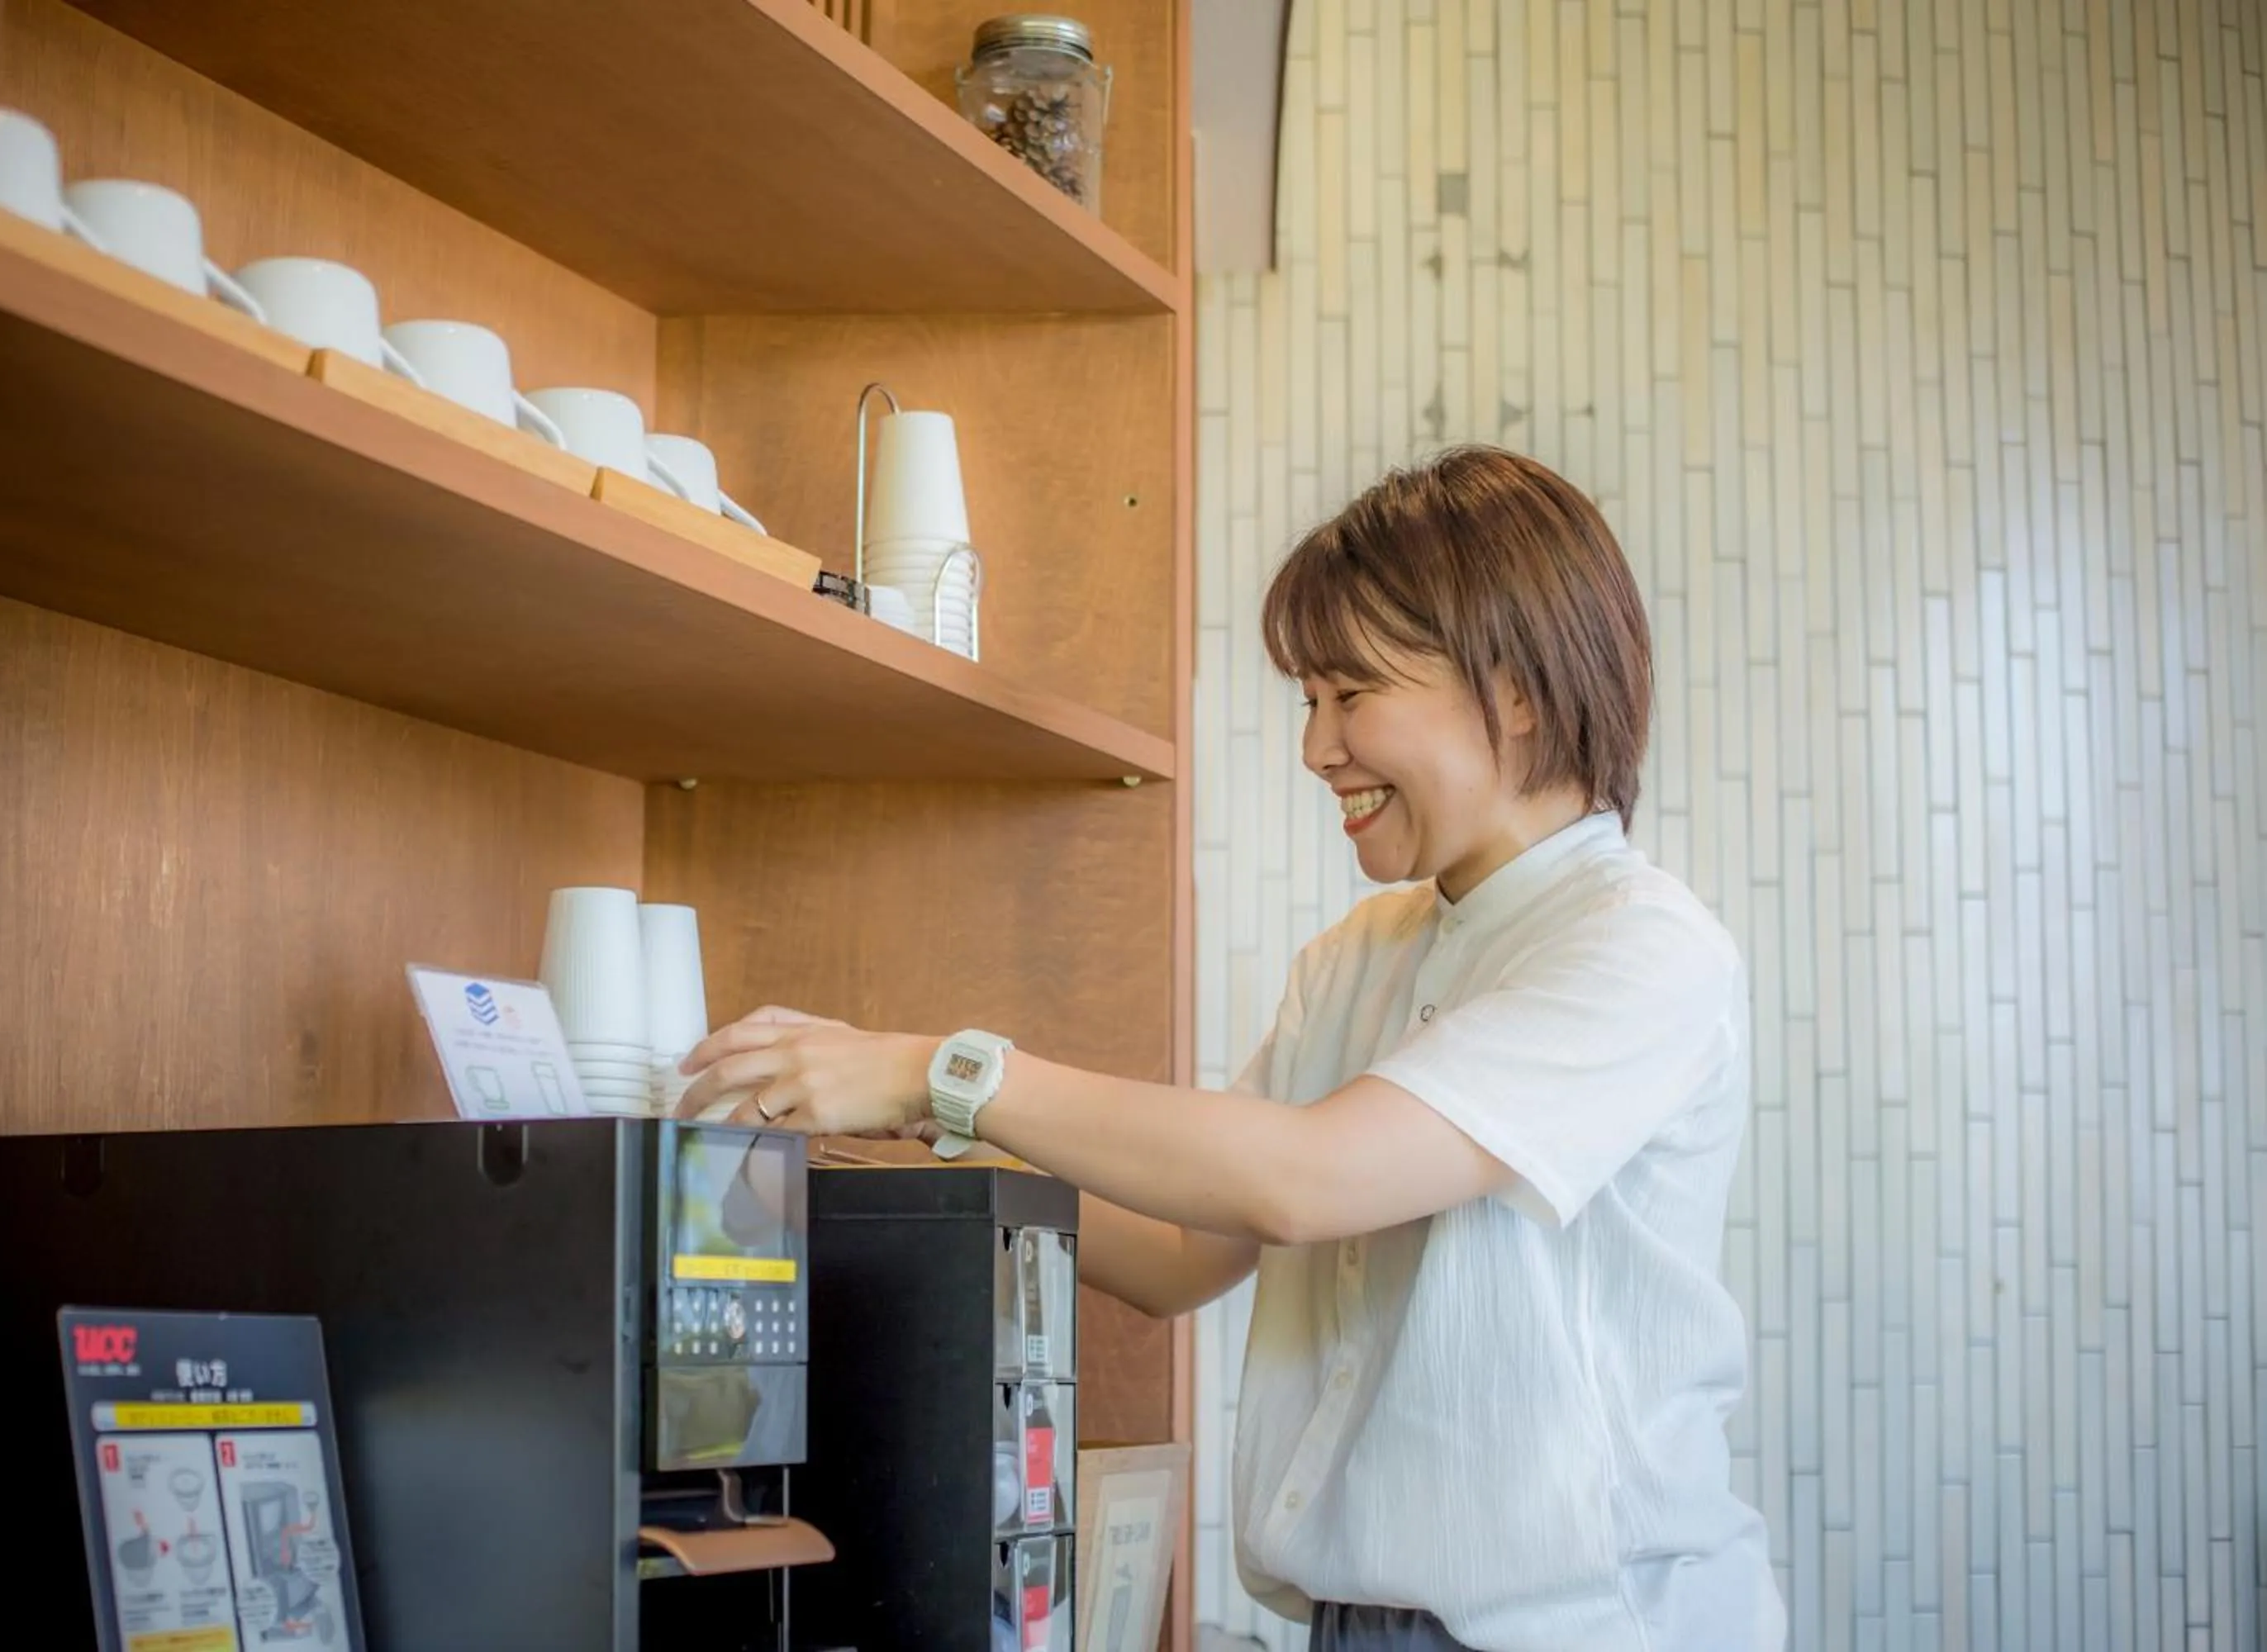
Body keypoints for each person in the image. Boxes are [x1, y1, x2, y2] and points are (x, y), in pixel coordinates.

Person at [677, 446, 1788, 1651]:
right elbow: (1181, 1253)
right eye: (1308, 701)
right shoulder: (1361, 956)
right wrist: (931, 1122)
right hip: (1353, 1625)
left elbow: (1305, 1178)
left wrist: (942, 1069)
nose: (1317, 749)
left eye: (1349, 696)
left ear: (1514, 688)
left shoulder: (1639, 948)